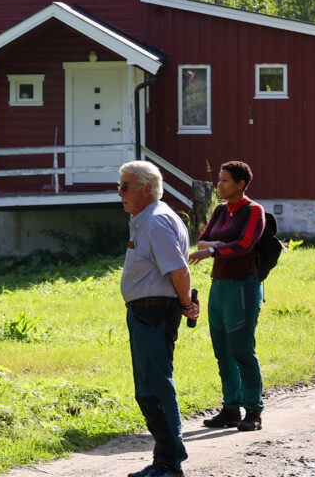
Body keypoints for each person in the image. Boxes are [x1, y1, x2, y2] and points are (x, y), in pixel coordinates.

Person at [118, 160, 197, 477]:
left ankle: (170, 462)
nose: (119, 193)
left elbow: (179, 270)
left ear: (145, 189)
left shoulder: (156, 222)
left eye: (125, 187)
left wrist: (186, 303)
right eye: (119, 186)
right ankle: (163, 459)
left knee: (156, 387)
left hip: (154, 311)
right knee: (147, 388)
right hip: (145, 311)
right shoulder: (148, 219)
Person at [188, 161, 265, 432]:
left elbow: (244, 245)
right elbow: (201, 240)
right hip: (218, 287)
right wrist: (217, 246)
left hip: (242, 287)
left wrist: (212, 250)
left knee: (242, 350)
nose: (218, 185)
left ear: (241, 184)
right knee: (222, 351)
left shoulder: (254, 210)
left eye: (225, 181)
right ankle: (231, 408)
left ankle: (253, 410)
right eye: (219, 180)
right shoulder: (221, 210)